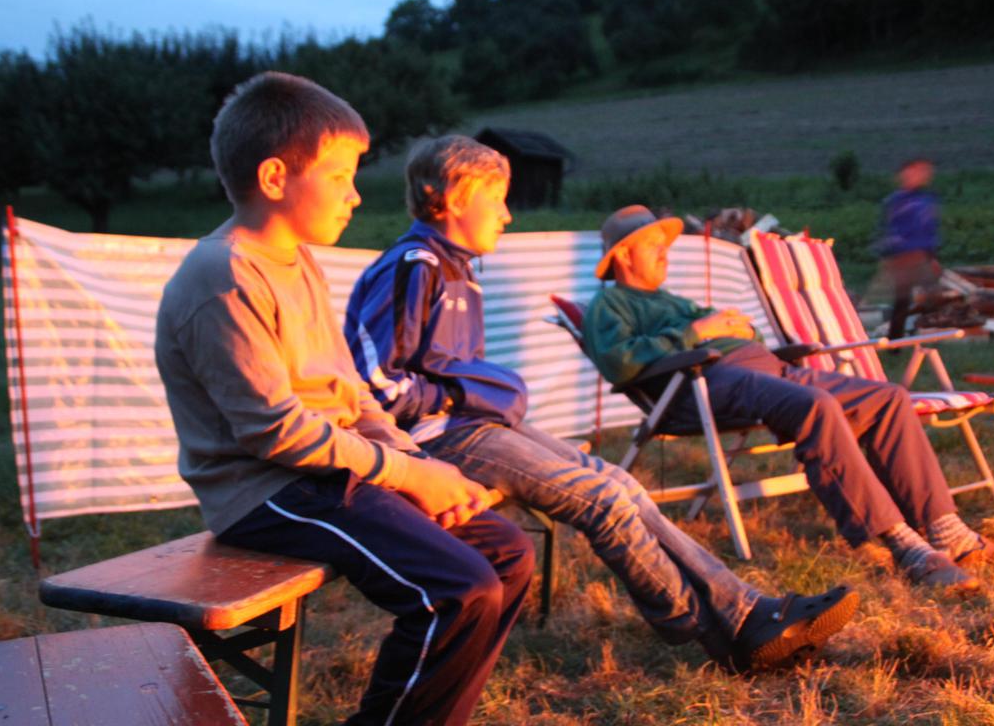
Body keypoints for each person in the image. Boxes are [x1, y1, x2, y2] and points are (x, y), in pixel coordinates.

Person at [344, 135, 858, 674]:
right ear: (453, 199)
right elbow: (375, 384)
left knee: (620, 483)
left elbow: (448, 373)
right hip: (437, 437)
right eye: (496, 200)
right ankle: (721, 629)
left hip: (472, 423)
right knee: (602, 500)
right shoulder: (414, 266)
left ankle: (745, 609)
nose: (507, 215)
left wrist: (478, 392)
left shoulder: (458, 269)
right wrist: (470, 392)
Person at [155, 73, 534, 726]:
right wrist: (408, 474)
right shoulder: (224, 276)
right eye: (340, 176)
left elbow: (349, 389)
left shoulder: (298, 260)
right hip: (268, 491)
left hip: (332, 474)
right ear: (275, 178)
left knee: (508, 556)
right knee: (459, 589)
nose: (355, 195)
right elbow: (274, 433)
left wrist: (415, 460)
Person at [582, 205, 994, 595]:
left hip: (766, 369)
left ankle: (949, 532)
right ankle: (903, 544)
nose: (665, 253)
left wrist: (740, 330)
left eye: (665, 245)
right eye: (654, 245)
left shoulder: (671, 300)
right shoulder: (609, 307)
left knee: (888, 399)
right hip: (702, 382)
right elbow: (619, 361)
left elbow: (735, 330)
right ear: (624, 255)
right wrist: (697, 333)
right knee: (816, 407)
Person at [876, 158, 944, 341]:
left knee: (933, 297)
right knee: (902, 300)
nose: (922, 175)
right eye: (916, 171)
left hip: (922, 254)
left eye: (924, 172)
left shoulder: (926, 199)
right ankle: (896, 342)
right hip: (904, 256)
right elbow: (889, 229)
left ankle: (926, 335)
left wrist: (932, 256)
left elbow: (929, 229)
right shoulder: (897, 201)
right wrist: (890, 254)